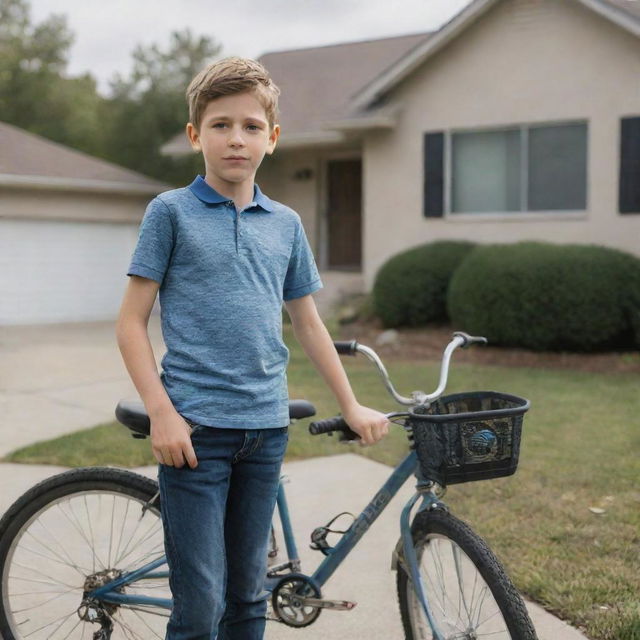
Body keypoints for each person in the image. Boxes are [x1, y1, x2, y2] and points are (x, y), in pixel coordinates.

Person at [116, 56, 389, 640]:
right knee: (200, 604)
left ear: (272, 138)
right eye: (220, 125)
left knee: (247, 596)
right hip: (194, 435)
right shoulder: (170, 213)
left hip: (264, 432)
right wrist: (163, 414)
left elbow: (309, 324)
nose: (235, 139)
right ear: (196, 135)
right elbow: (131, 323)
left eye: (250, 126)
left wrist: (351, 404)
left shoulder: (285, 223)